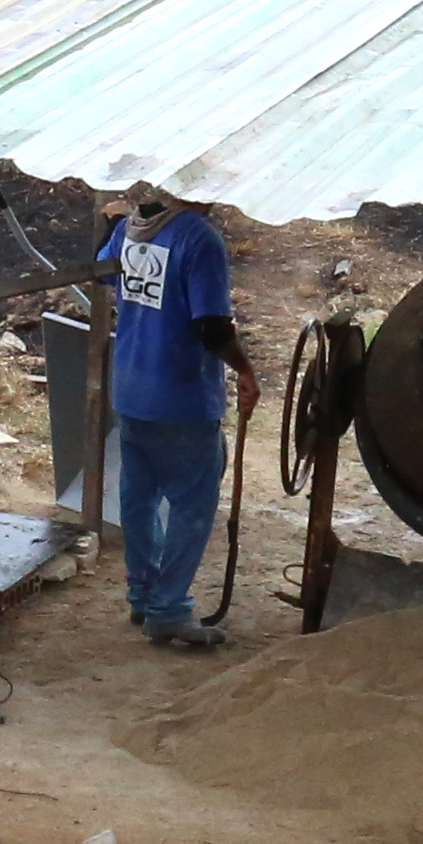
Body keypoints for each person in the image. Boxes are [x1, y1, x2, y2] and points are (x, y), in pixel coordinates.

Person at [97, 182, 253, 649]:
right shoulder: (198, 238)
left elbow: (105, 274)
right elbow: (211, 326)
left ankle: (143, 594)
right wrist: (245, 369)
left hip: (131, 387)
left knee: (139, 496)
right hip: (180, 395)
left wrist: (111, 221)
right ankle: (167, 609)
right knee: (192, 502)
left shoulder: (135, 227)